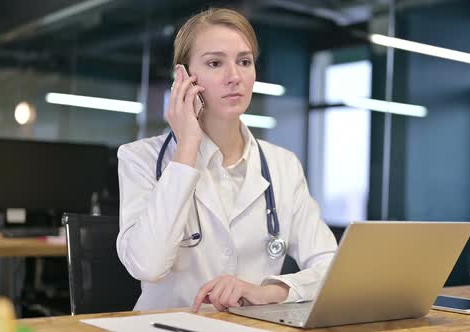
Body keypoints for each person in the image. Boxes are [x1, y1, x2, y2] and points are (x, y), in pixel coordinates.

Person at [116, 7, 337, 312]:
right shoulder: (140, 158)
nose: (234, 76)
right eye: (215, 63)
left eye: (244, 61)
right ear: (184, 77)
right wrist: (187, 149)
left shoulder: (282, 165)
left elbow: (330, 266)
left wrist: (272, 290)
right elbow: (148, 265)